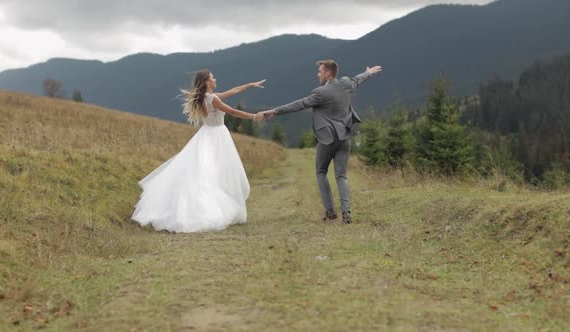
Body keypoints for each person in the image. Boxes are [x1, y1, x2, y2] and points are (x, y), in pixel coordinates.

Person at [131, 70, 265, 232]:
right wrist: (253, 117)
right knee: (215, 172)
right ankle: (209, 210)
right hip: (217, 136)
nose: (215, 79)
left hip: (206, 135)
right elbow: (232, 112)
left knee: (205, 171)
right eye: (212, 78)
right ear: (208, 82)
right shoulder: (213, 99)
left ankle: (210, 205)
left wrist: (250, 85)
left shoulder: (205, 98)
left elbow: (234, 90)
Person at [262, 60, 382, 224]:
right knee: (341, 175)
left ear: (328, 73)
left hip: (328, 139)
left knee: (320, 172)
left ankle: (331, 212)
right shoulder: (345, 84)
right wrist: (368, 72)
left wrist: (275, 111)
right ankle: (346, 213)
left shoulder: (320, 92)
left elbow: (300, 104)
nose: (317, 74)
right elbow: (357, 80)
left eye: (320, 71)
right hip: (345, 137)